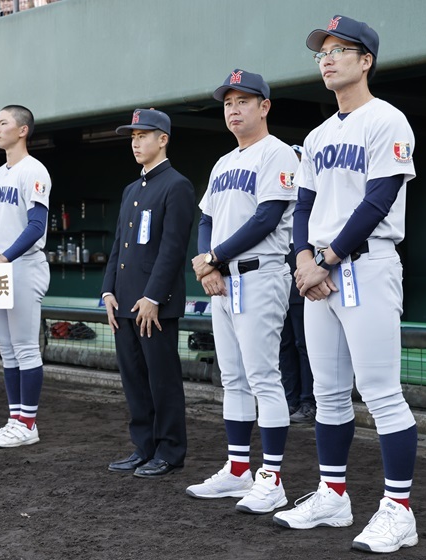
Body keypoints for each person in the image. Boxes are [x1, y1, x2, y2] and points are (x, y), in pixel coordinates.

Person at [272, 15, 419, 554]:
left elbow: (378, 199)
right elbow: (305, 205)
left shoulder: (388, 120)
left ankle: (399, 511)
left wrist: (326, 258)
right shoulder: (316, 134)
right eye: (322, 52)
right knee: (329, 395)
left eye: (340, 49)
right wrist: (304, 259)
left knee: (382, 393)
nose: (327, 58)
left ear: (366, 60)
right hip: (321, 275)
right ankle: (334, 495)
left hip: (366, 265)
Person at [185, 70, 298, 514]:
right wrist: (208, 265)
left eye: (243, 101)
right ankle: (238, 471)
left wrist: (214, 258)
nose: (233, 109)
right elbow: (207, 220)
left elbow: (266, 218)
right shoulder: (224, 161)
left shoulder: (279, 154)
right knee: (232, 379)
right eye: (228, 103)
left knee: (263, 378)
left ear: (264, 107)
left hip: (260, 274)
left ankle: (272, 478)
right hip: (224, 278)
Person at [103, 109, 194, 478]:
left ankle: (170, 451)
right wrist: (108, 290)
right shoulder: (131, 188)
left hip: (154, 306)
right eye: (133, 137)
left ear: (163, 139)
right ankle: (144, 448)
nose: (136, 142)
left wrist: (153, 297)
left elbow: (173, 249)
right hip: (124, 301)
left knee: (162, 381)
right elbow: (119, 246)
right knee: (135, 382)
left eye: (143, 135)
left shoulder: (177, 185)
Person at [0, 105, 50, 448]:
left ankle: (27, 423)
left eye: (3, 122)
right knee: (8, 350)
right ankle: (16, 419)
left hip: (22, 265)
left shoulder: (34, 169)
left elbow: (36, 226)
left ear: (22, 130)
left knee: (25, 349)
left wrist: (3, 257)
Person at [279, 144, 315, 423]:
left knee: (304, 342)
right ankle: (290, 400)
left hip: (303, 261)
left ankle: (308, 402)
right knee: (284, 341)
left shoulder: (311, 196)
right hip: (280, 263)